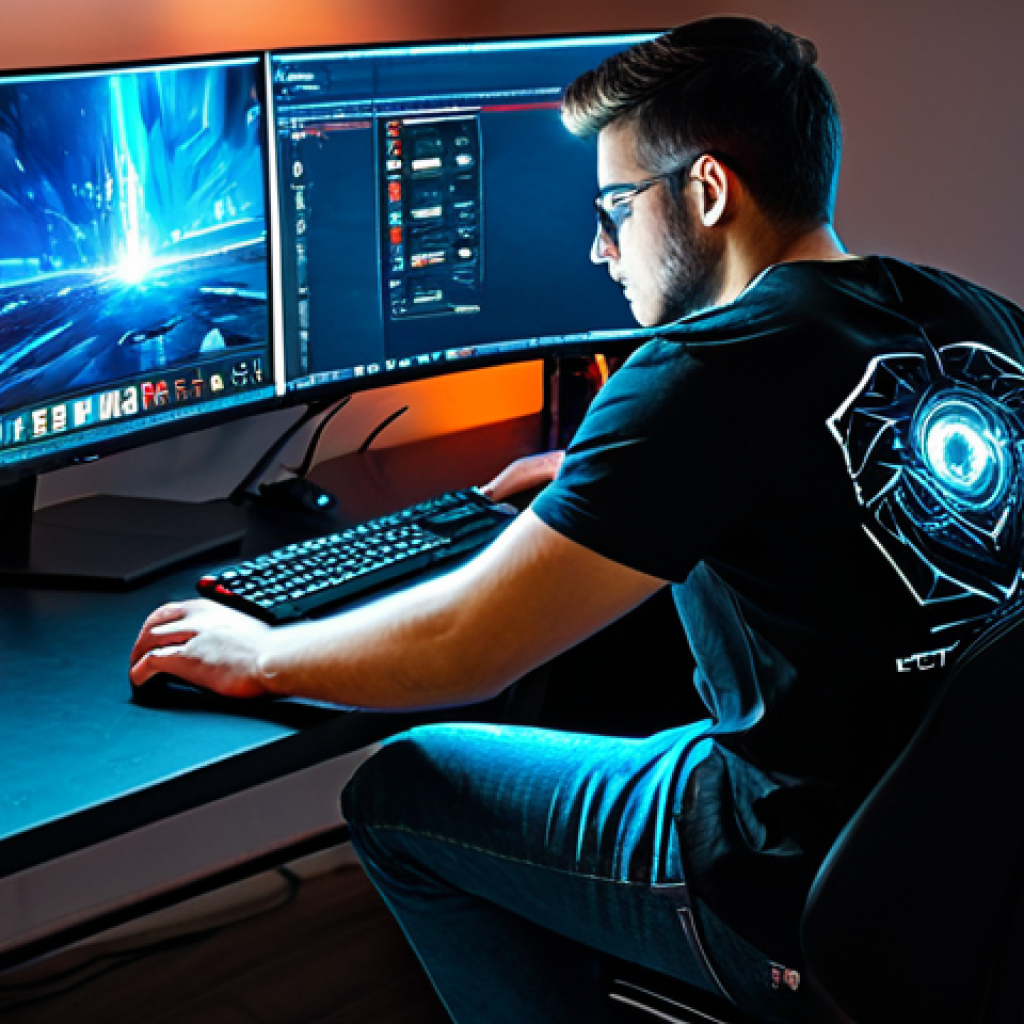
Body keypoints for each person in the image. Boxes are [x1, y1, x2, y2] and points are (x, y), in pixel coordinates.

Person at [130, 16, 1024, 1023]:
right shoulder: (978, 319)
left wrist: (263, 653)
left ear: (708, 190)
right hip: (973, 860)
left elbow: (465, 650)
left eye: (614, 206)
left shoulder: (702, 371)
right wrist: (611, 480)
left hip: (795, 876)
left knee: (404, 788)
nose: (598, 249)